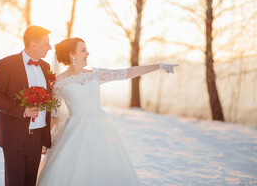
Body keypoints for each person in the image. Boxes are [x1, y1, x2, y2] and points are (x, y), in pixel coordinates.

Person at [37, 37, 178, 186]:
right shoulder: (59, 83)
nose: (88, 53)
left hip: (101, 130)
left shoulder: (95, 74)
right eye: (83, 50)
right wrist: (46, 141)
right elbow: (54, 115)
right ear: (72, 54)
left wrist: (158, 66)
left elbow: (127, 73)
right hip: (74, 133)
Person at [0, 25, 53, 186]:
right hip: (14, 137)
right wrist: (22, 111)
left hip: (37, 137)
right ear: (33, 45)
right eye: (46, 44)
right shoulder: (6, 64)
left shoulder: (45, 67)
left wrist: (46, 136)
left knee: (31, 182)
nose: (49, 47)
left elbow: (48, 101)